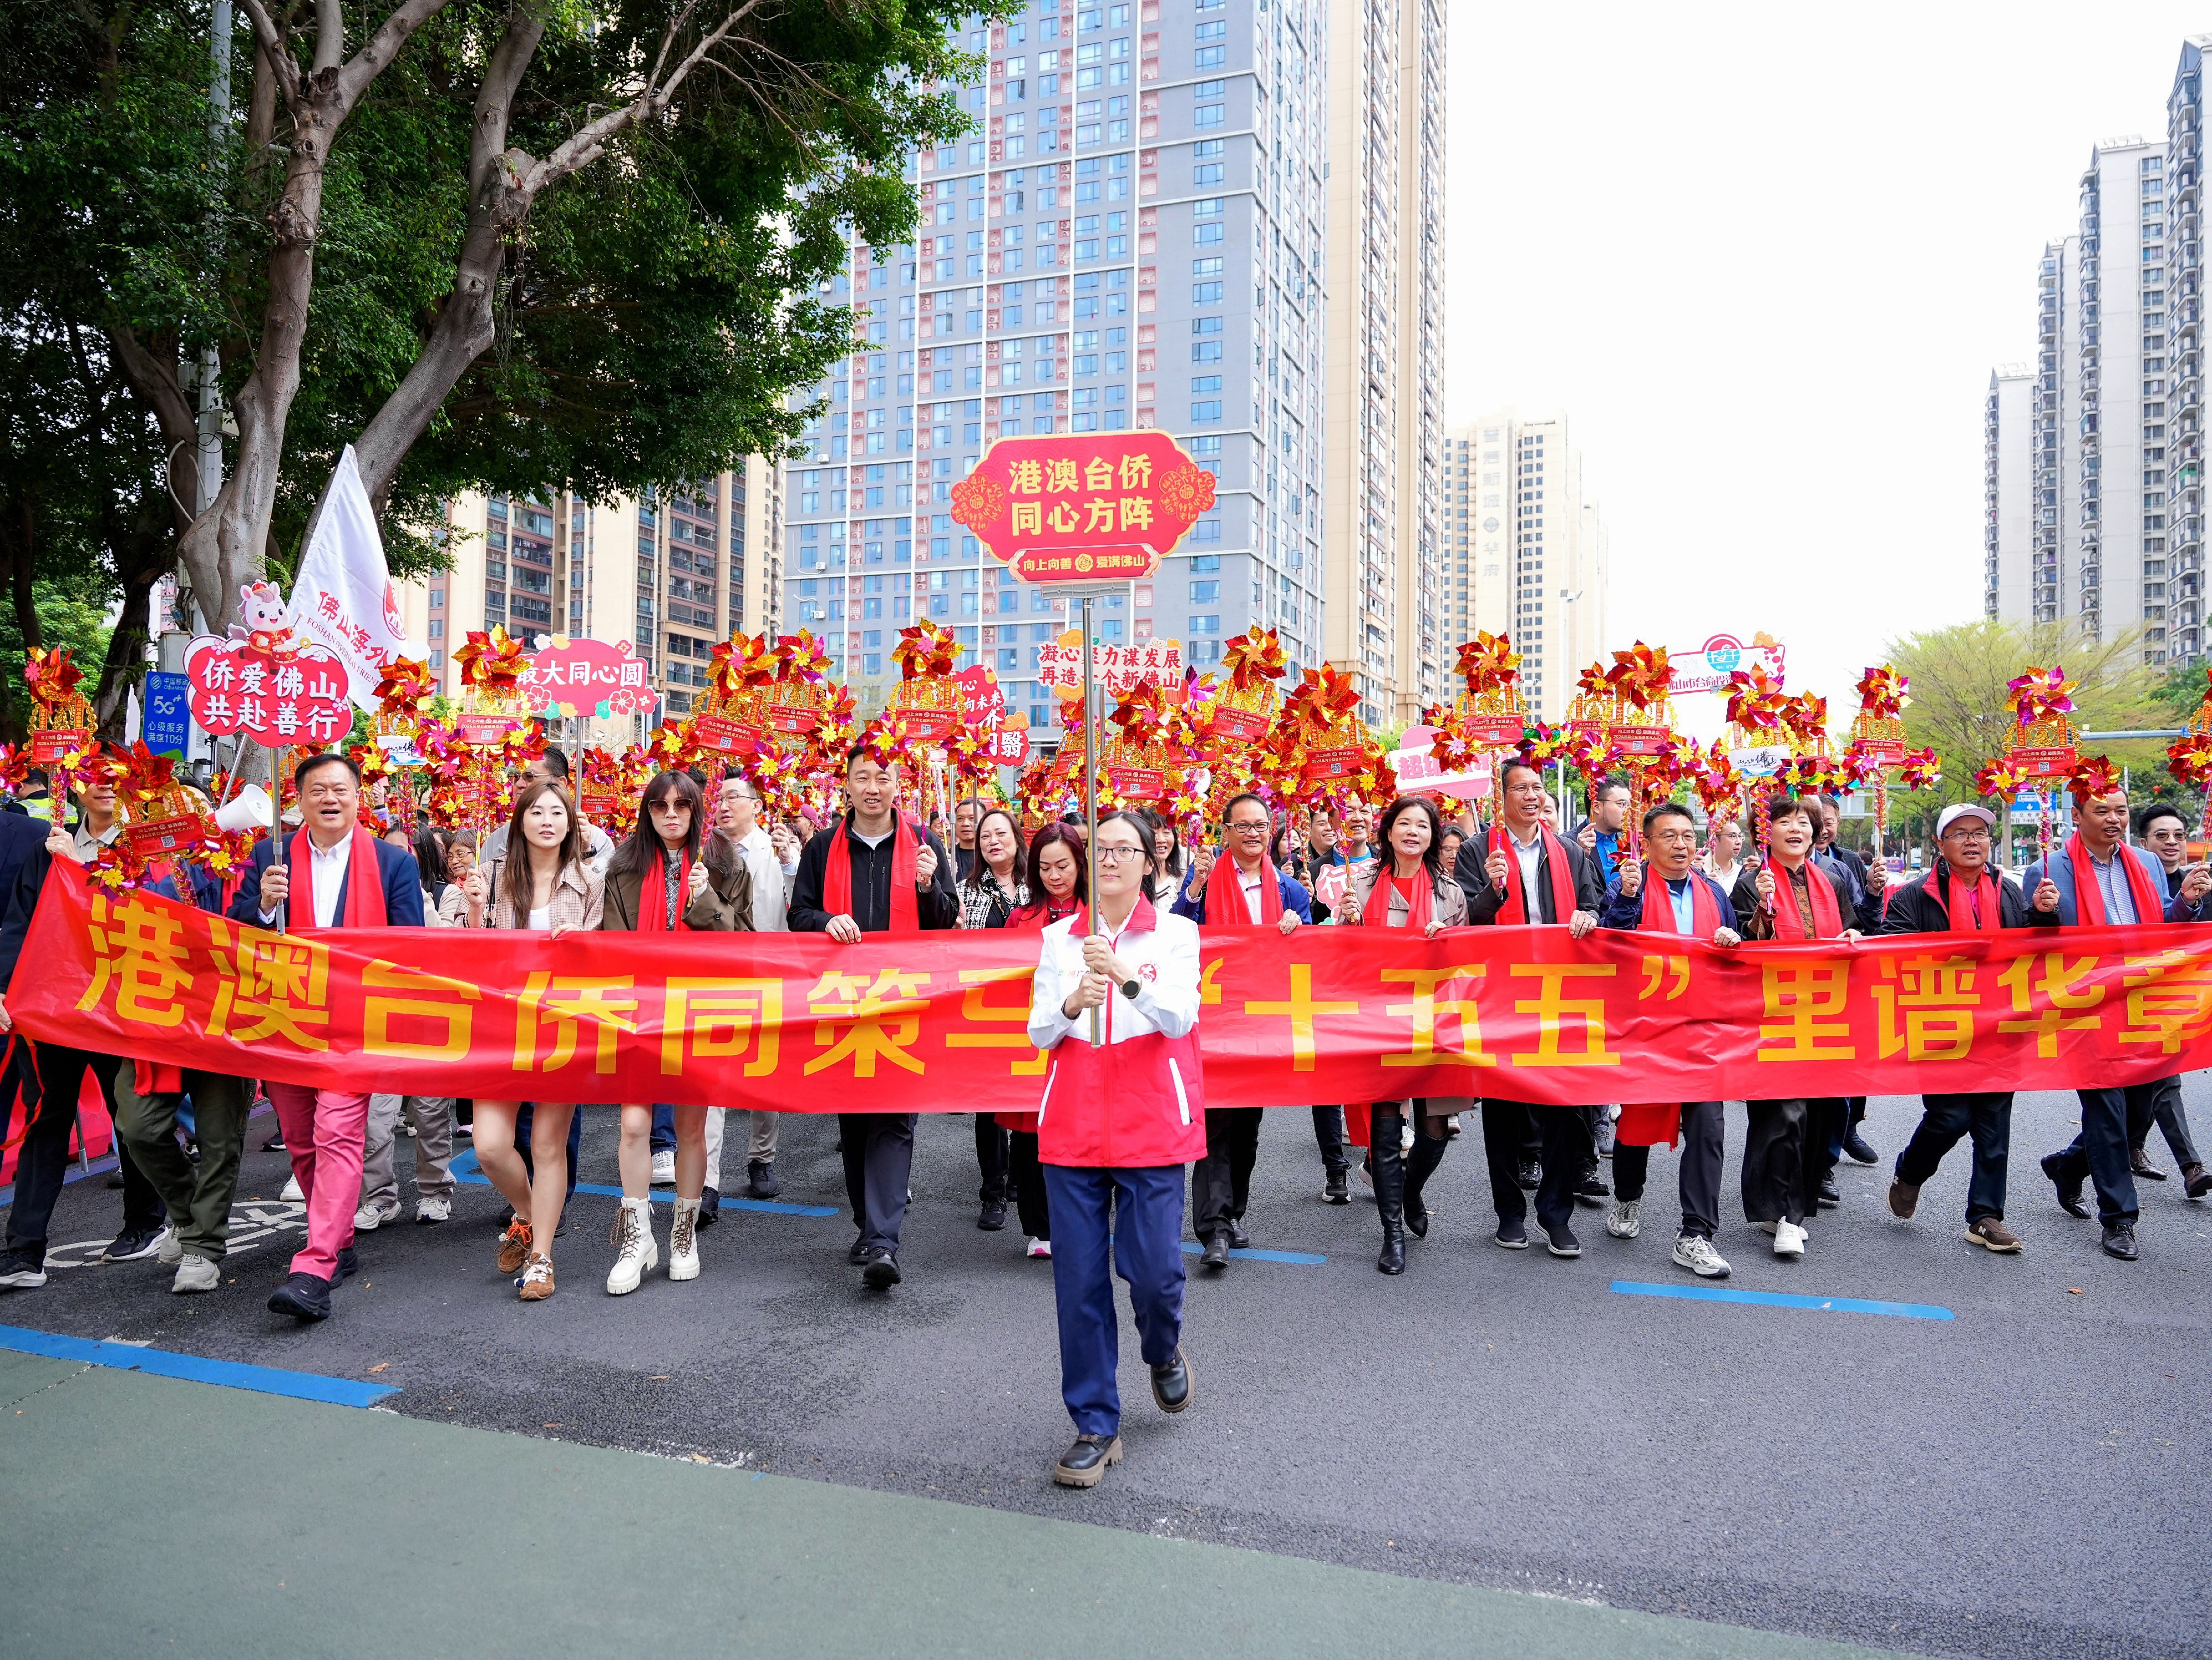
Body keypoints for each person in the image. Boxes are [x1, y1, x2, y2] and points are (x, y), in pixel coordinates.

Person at [1026, 808, 1201, 1488]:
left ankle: (1162, 1349)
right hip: (1071, 1122)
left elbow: (1179, 1015)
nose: (1110, 859)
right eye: (1099, 848)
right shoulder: (1058, 938)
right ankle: (1095, 1423)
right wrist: (1072, 998)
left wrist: (1125, 974)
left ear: (1149, 862)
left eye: (1124, 848)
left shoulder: (1179, 933)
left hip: (1150, 1118)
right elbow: (1040, 1031)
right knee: (1079, 1283)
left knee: (1153, 1271)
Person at [231, 751, 425, 1321]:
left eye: (340, 788)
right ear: (300, 798)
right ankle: (338, 1239)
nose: (330, 798)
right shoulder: (268, 857)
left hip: (354, 1026)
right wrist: (265, 904)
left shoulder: (393, 862)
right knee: (299, 1137)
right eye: (318, 789)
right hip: (286, 1023)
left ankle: (313, 1265)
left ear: (357, 795)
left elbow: (411, 944)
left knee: (338, 1130)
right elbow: (237, 934)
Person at [0, 759, 178, 1287]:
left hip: (121, 1009)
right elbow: (18, 925)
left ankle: (145, 1222)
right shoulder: (45, 851)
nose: (105, 785)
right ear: (75, 787)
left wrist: (78, 870)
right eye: (95, 776)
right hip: (54, 1010)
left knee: (130, 1116)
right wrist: (7, 988)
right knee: (44, 1121)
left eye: (117, 777)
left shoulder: (149, 853)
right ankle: (24, 1249)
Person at [788, 746, 961, 1288]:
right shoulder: (822, 846)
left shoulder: (925, 844)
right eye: (861, 776)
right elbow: (798, 914)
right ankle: (868, 1224)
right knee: (855, 1119)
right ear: (847, 785)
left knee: (895, 1119)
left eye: (881, 777)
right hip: (841, 1003)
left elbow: (947, 918)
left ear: (896, 786)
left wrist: (931, 886)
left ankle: (885, 1241)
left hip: (903, 1000)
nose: (872, 786)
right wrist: (826, 920)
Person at [2024, 785, 2209, 1260]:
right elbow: (2030, 945)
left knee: (2138, 1114)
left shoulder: (2145, 865)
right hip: (2087, 1008)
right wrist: (2040, 914)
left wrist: (2185, 902)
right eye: (2101, 810)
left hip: (2144, 1005)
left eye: (2121, 810)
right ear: (2078, 815)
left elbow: (2161, 927)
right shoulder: (2047, 869)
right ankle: (2119, 1219)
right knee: (2106, 1112)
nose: (2113, 819)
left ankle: (2068, 1165)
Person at [1879, 802, 2060, 1254]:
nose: (1972, 840)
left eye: (1979, 832)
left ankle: (1985, 1216)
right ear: (1941, 845)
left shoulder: (2012, 891)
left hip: (2000, 1026)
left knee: (1994, 1126)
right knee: (1949, 1117)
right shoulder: (1914, 895)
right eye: (1959, 833)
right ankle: (1911, 1171)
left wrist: (2041, 916)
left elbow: (2035, 951)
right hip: (1941, 1025)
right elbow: (1893, 950)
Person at [447, 779, 602, 1298]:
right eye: (535, 812)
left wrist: (582, 946)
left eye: (556, 812)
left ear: (570, 823)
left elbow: (612, 957)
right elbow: (467, 961)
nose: (546, 821)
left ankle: (542, 1258)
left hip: (564, 1025)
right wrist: (471, 910)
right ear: (520, 822)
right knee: (491, 1146)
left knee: (547, 1145)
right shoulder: (492, 879)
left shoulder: (591, 882)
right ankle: (527, 1215)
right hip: (500, 1026)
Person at [601, 769, 753, 1293]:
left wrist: (706, 900)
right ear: (648, 812)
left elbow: (746, 944)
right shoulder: (622, 868)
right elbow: (611, 945)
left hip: (699, 1010)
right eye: (660, 806)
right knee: (635, 1126)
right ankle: (637, 1237)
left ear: (696, 810)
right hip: (639, 1011)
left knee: (690, 1128)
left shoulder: (727, 863)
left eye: (681, 806)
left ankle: (684, 1235)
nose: (671, 815)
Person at [1455, 759, 1607, 1253]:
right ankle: (1509, 1213)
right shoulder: (1478, 852)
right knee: (1503, 1110)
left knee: (1564, 1107)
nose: (1531, 795)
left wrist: (1587, 914)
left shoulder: (1567, 851)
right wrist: (1492, 891)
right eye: (1519, 788)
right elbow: (1466, 922)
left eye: (1537, 788)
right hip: (1500, 996)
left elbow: (1595, 903)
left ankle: (1556, 1213)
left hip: (1560, 993)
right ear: (1502, 798)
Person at [1600, 800, 1744, 1278]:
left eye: (1687, 836)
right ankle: (1627, 1199)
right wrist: (1623, 899)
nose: (1681, 845)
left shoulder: (1712, 892)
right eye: (1669, 836)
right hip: (1645, 1032)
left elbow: (1737, 948)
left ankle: (1696, 1234)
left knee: (1709, 1127)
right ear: (1646, 843)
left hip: (1703, 1032)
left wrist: (1732, 937)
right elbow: (1609, 940)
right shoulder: (1631, 884)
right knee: (1636, 1127)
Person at [1329, 796, 1468, 1273]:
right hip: (1378, 1023)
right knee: (1385, 1131)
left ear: (1433, 836)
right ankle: (1391, 1234)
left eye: (1422, 825)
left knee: (1436, 1128)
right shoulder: (1360, 884)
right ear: (1388, 832)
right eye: (1403, 824)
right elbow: (1337, 956)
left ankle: (1412, 1193)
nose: (1412, 832)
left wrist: (1444, 944)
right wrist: (1343, 921)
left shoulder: (1451, 893)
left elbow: (1465, 965)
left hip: (1432, 1022)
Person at [1172, 792, 1310, 1269]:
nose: (1253, 834)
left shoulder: (1290, 889)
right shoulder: (1205, 882)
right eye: (1243, 826)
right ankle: (1213, 1229)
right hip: (1214, 1021)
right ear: (1225, 832)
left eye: (1260, 825)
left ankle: (1232, 1214)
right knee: (1217, 1124)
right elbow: (1175, 933)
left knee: (1248, 1127)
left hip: (1265, 1023)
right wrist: (1194, 891)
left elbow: (1312, 951)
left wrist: (1300, 924)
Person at [1726, 797, 1866, 1259]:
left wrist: (1853, 937)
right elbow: (1742, 948)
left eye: (1803, 822)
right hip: (1772, 1017)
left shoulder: (1832, 880)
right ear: (1765, 833)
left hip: (1825, 1016)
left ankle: (1786, 1205)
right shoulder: (1751, 884)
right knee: (1782, 1116)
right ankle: (1786, 1215)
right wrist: (1762, 914)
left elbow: (1853, 930)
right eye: (1783, 822)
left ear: (1816, 831)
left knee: (1819, 1116)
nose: (1795, 829)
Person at [709, 774, 800, 1204]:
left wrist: (790, 862)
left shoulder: (777, 851)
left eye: (734, 798)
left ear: (757, 806)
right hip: (714, 976)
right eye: (719, 798)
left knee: (764, 1073)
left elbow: (802, 907)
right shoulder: (704, 851)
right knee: (711, 1078)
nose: (724, 806)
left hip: (767, 974)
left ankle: (762, 1159)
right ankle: (706, 1178)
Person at [1001, 822, 1089, 1258]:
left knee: (1084, 1130)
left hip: (1085, 1037)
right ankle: (1039, 1226)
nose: (1055, 876)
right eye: (1045, 867)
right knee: (1031, 1137)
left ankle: (1084, 1219)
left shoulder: (1098, 911)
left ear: (1080, 864)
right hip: (1035, 1037)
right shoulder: (1021, 917)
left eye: (1063, 866)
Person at [2131, 801, 2211, 1197]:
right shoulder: (2129, 885)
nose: (2172, 843)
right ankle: (2191, 1165)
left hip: (2187, 1000)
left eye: (2179, 835)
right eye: (2161, 836)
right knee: (2160, 1080)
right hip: (2135, 999)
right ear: (2142, 843)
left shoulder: (2202, 884)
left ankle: (2079, 1160)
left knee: (2150, 1087)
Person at [482, 747, 615, 876]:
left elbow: (603, 893)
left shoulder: (595, 840)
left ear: (560, 783)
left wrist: (586, 852)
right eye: (514, 777)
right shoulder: (499, 839)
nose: (519, 784)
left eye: (530, 776)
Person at [1574, 777, 1631, 888]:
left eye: (1630, 805)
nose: (1628, 812)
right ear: (1597, 807)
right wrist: (1578, 855)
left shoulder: (1631, 845)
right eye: (1622, 804)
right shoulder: (1568, 844)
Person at [1701, 813, 1750, 892]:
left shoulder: (1741, 873)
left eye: (1740, 836)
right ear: (1714, 839)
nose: (1739, 842)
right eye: (1733, 836)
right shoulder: (1698, 869)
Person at [953, 796, 982, 881]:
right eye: (960, 819)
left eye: (972, 818)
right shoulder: (947, 856)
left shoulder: (994, 856)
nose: (965, 824)